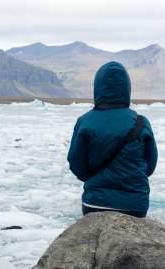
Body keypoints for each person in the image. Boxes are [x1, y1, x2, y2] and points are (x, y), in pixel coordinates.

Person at [67, 61, 158, 218]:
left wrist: (95, 179)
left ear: (98, 87)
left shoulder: (85, 121)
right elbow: (150, 164)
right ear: (126, 88)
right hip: (135, 204)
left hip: (95, 202)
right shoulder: (141, 122)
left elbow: (76, 163)